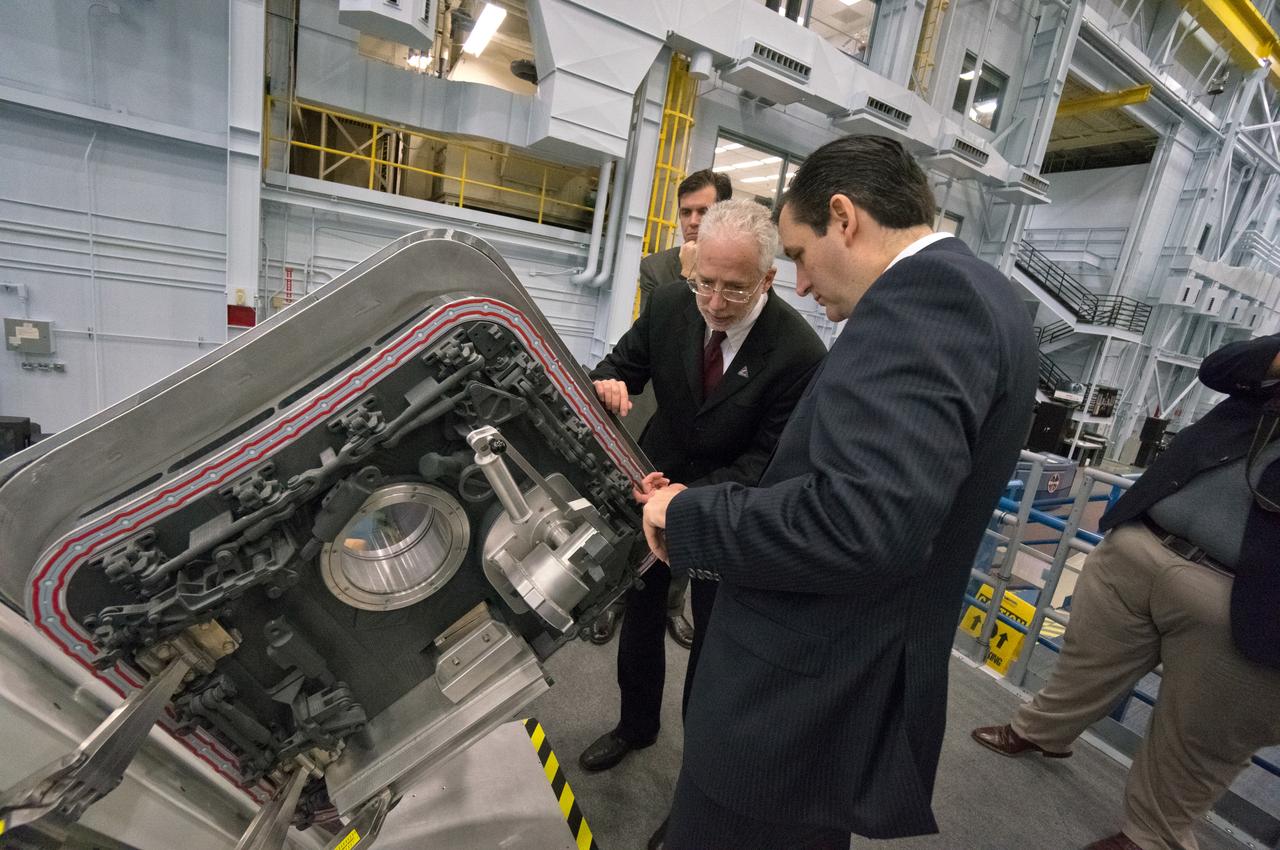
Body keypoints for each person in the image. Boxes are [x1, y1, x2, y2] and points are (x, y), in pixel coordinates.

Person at [639, 134, 1038, 850]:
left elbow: (859, 524)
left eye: (795, 254)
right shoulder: (983, 296)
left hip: (795, 703)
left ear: (844, 218)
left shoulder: (925, 302)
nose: (797, 284)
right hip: (835, 689)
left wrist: (688, 512)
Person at [972, 332, 1280, 850]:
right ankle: (1041, 732)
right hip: (1144, 542)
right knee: (1085, 661)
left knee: (1200, 737)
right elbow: (1220, 366)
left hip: (1247, 601)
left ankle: (1150, 837)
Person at [577, 199, 826, 781]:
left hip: (726, 510)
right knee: (640, 622)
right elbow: (616, 367)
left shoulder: (799, 353)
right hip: (651, 494)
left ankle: (699, 779)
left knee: (714, 653)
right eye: (704, 283)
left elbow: (770, 460)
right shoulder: (670, 305)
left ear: (768, 279)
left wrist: (688, 499)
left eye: (734, 290)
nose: (714, 303)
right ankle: (634, 727)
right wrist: (608, 386)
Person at [591, 167, 733, 648]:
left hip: (709, 418)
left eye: (704, 212)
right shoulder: (657, 268)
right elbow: (670, 325)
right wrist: (690, 272)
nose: (693, 221)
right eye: (686, 213)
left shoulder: (739, 277)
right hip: (659, 404)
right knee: (633, 512)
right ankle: (613, 601)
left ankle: (673, 607)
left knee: (682, 511)